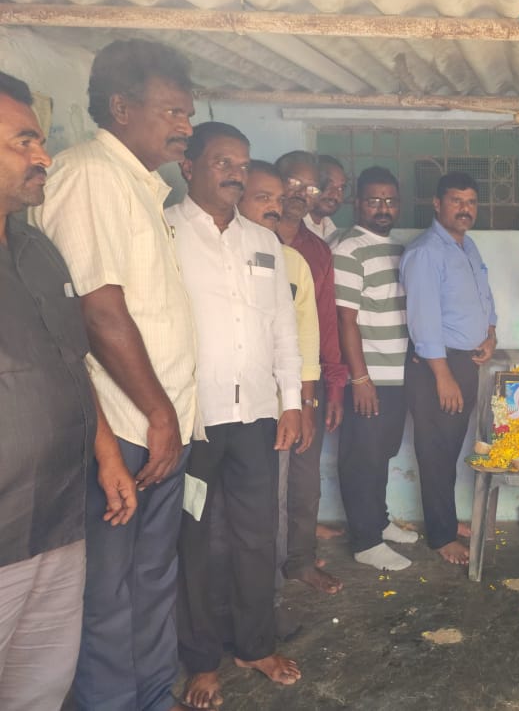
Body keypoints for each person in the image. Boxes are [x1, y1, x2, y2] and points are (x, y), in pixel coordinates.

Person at [30, 39, 198, 711]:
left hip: (158, 426)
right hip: (124, 428)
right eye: (172, 111)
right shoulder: (90, 176)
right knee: (107, 591)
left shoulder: (141, 186)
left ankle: (151, 696)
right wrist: (159, 413)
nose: (184, 125)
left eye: (188, 112)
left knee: (151, 578)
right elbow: (98, 310)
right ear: (122, 108)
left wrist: (169, 417)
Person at [0, 72, 135, 711]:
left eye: (42, 141)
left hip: (58, 520)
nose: (44, 157)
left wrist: (107, 456)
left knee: (39, 688)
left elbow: (72, 364)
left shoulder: (37, 249)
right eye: (24, 142)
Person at [167, 122, 302, 708]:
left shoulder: (264, 241)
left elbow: (283, 328)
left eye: (242, 165)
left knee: (256, 536)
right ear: (188, 166)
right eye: (223, 162)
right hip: (192, 418)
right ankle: (201, 660)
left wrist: (291, 402)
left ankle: (254, 645)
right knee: (194, 539)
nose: (236, 174)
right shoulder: (165, 232)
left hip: (258, 417)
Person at [238, 159, 322, 632]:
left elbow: (303, 340)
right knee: (216, 515)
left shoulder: (292, 263)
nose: (273, 208)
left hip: (276, 408)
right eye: (262, 198)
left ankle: (266, 604)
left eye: (277, 199)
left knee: (273, 505)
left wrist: (302, 405)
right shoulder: (193, 250)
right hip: (211, 411)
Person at [401, 171, 497, 565]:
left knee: (450, 449)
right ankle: (441, 537)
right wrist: (443, 377)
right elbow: (423, 320)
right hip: (437, 366)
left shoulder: (467, 246)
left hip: (466, 360)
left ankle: (447, 518)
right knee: (435, 452)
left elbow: (484, 297)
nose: (465, 209)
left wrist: (490, 333)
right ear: (437, 204)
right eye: (456, 201)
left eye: (471, 202)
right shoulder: (426, 252)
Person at [330, 166, 418, 571]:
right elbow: (345, 319)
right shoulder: (349, 249)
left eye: (390, 201)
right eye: (373, 200)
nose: (383, 208)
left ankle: (378, 523)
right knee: (361, 457)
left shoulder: (398, 247)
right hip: (368, 376)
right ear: (357, 203)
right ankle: (366, 542)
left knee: (381, 453)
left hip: (397, 373)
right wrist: (360, 378)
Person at [272, 150, 346, 594]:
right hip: (256, 383)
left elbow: (325, 325)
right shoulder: (248, 238)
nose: (300, 194)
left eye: (311, 187)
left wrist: (329, 389)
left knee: (303, 477)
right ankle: (264, 564)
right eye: (292, 184)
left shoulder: (316, 252)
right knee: (263, 482)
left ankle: (299, 560)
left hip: (305, 380)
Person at [305, 154, 347, 241]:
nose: (335, 194)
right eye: (328, 184)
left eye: (341, 188)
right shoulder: (293, 228)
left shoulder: (330, 228)